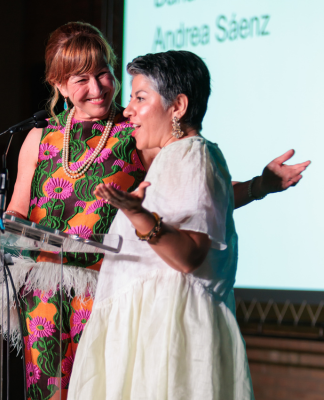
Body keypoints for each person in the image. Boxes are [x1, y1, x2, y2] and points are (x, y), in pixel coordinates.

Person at [6, 23, 309, 399]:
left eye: (103, 74)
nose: (98, 88)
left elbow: (195, 193)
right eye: (82, 79)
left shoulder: (136, 130)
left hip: (101, 288)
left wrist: (258, 187)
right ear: (60, 85)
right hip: (44, 291)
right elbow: (18, 208)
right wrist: (7, 228)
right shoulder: (40, 137)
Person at [68, 50, 254, 399]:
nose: (128, 110)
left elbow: (188, 256)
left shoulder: (192, 153)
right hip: (146, 332)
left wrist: (137, 214)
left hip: (166, 340)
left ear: (178, 106)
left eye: (140, 98)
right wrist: (260, 186)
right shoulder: (176, 157)